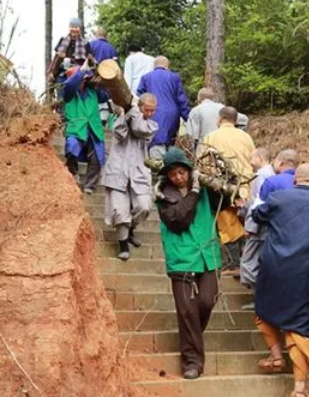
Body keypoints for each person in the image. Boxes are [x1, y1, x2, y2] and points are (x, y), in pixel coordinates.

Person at [252, 163, 309, 397]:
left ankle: (275, 355)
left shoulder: (278, 198)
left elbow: (256, 215)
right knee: (301, 324)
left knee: (263, 309)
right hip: (307, 274)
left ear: (295, 180)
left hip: (273, 268)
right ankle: (299, 388)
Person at [155, 147, 222, 380]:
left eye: (182, 172)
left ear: (189, 170)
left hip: (208, 255)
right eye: (173, 174)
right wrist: (193, 193)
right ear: (167, 177)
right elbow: (178, 220)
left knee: (206, 301)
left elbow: (222, 201)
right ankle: (191, 362)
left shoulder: (203, 187)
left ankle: (192, 339)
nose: (178, 177)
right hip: (182, 258)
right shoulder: (163, 196)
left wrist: (220, 180)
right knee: (186, 310)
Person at [197, 106, 256, 277]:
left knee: (227, 224)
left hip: (224, 188)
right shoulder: (246, 137)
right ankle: (244, 263)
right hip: (245, 187)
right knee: (244, 224)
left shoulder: (212, 137)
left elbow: (204, 166)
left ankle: (233, 263)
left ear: (220, 119)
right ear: (236, 120)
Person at [101, 93, 158, 260]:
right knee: (119, 210)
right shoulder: (121, 120)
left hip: (138, 172)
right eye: (147, 110)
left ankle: (130, 228)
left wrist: (136, 113)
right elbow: (120, 133)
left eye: (152, 111)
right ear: (140, 106)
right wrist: (129, 114)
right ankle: (123, 243)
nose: (149, 114)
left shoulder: (150, 125)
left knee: (144, 206)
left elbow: (140, 130)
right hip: (118, 170)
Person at [62, 61, 110, 194]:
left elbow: (106, 95)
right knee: (71, 147)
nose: (83, 81)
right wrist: (83, 69)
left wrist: (98, 77)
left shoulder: (92, 91)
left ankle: (90, 185)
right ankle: (73, 173)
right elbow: (71, 84)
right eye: (81, 78)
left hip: (93, 129)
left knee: (97, 157)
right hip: (76, 128)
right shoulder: (69, 93)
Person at [137, 56, 190, 159]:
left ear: (154, 65)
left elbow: (140, 97)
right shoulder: (174, 77)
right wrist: (187, 117)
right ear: (167, 65)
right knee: (170, 142)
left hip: (152, 112)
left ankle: (156, 164)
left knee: (155, 140)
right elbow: (181, 99)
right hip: (172, 114)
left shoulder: (146, 77)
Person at [239, 148, 275, 292]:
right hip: (266, 225)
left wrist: (250, 226)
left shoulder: (262, 175)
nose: (250, 162)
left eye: (252, 158)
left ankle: (257, 297)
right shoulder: (271, 174)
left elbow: (259, 202)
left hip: (259, 225)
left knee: (249, 261)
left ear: (260, 158)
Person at [47, 18, 91, 92]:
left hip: (77, 75)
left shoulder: (85, 43)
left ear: (79, 29)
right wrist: (51, 71)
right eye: (72, 27)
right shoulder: (62, 40)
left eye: (76, 27)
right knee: (61, 95)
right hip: (62, 74)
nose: (74, 29)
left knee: (75, 97)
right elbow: (56, 57)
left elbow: (88, 60)